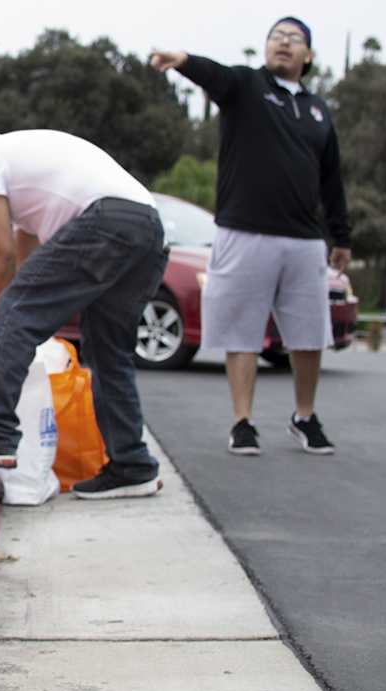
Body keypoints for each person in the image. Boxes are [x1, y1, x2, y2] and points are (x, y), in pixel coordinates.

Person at [0, 126, 168, 499]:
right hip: (146, 226)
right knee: (108, 350)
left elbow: (0, 257)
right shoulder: (17, 163)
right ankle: (132, 465)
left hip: (106, 220)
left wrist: (7, 320)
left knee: (15, 310)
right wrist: (17, 316)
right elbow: (26, 252)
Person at [151, 16, 351, 456]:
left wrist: (341, 237)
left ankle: (305, 417)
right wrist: (183, 60)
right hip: (244, 233)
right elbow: (214, 75)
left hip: (303, 240)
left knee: (308, 334)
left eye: (293, 39)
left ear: (308, 55)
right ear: (265, 48)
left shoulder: (318, 110)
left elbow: (331, 178)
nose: (283, 43)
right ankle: (243, 422)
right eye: (276, 37)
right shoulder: (245, 87)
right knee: (240, 331)